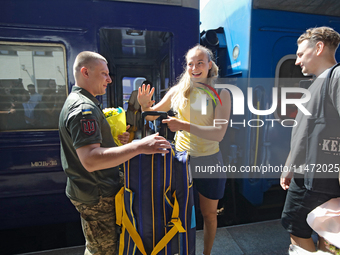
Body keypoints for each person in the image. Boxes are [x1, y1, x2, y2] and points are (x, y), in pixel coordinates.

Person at [58, 51, 171, 255]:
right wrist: (140, 146)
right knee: (103, 250)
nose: (109, 79)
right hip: (97, 193)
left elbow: (91, 147)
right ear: (85, 72)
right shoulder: (84, 108)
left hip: (90, 190)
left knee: (97, 246)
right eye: (104, 73)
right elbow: (91, 160)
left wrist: (116, 143)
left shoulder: (80, 101)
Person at [138, 44, 231, 255]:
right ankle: (183, 250)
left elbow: (218, 134)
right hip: (181, 161)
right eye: (190, 64)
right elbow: (152, 115)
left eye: (200, 63)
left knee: (209, 215)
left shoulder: (221, 94)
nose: (195, 67)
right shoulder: (177, 91)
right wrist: (145, 106)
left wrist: (183, 125)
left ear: (209, 65)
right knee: (179, 214)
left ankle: (206, 253)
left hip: (209, 161)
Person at [280, 26, 340, 253]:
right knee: (328, 230)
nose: (297, 61)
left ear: (319, 48)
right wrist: (289, 165)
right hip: (317, 175)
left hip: (313, 179)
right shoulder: (319, 82)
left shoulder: (336, 77)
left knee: (296, 228)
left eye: (300, 54)